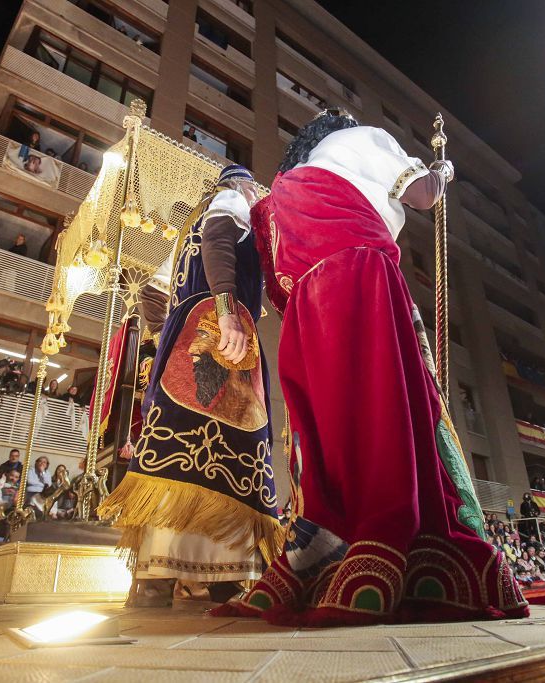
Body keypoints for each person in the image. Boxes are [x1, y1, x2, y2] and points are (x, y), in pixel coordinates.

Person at [214, 110, 527, 626]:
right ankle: (386, 542)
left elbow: (271, 275)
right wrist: (443, 171)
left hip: (302, 303)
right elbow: (420, 194)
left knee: (326, 435)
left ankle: (320, 552)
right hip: (357, 270)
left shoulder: (281, 189)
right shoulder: (362, 137)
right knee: (383, 408)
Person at [98, 164, 281, 607]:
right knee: (233, 448)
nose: (257, 195)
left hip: (188, 339)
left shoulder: (184, 233)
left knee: (182, 451)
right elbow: (220, 238)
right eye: (254, 187)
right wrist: (226, 312)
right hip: (221, 334)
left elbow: (153, 294)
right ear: (241, 183)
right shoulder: (232, 202)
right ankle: (223, 579)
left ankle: (157, 580)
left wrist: (165, 338)